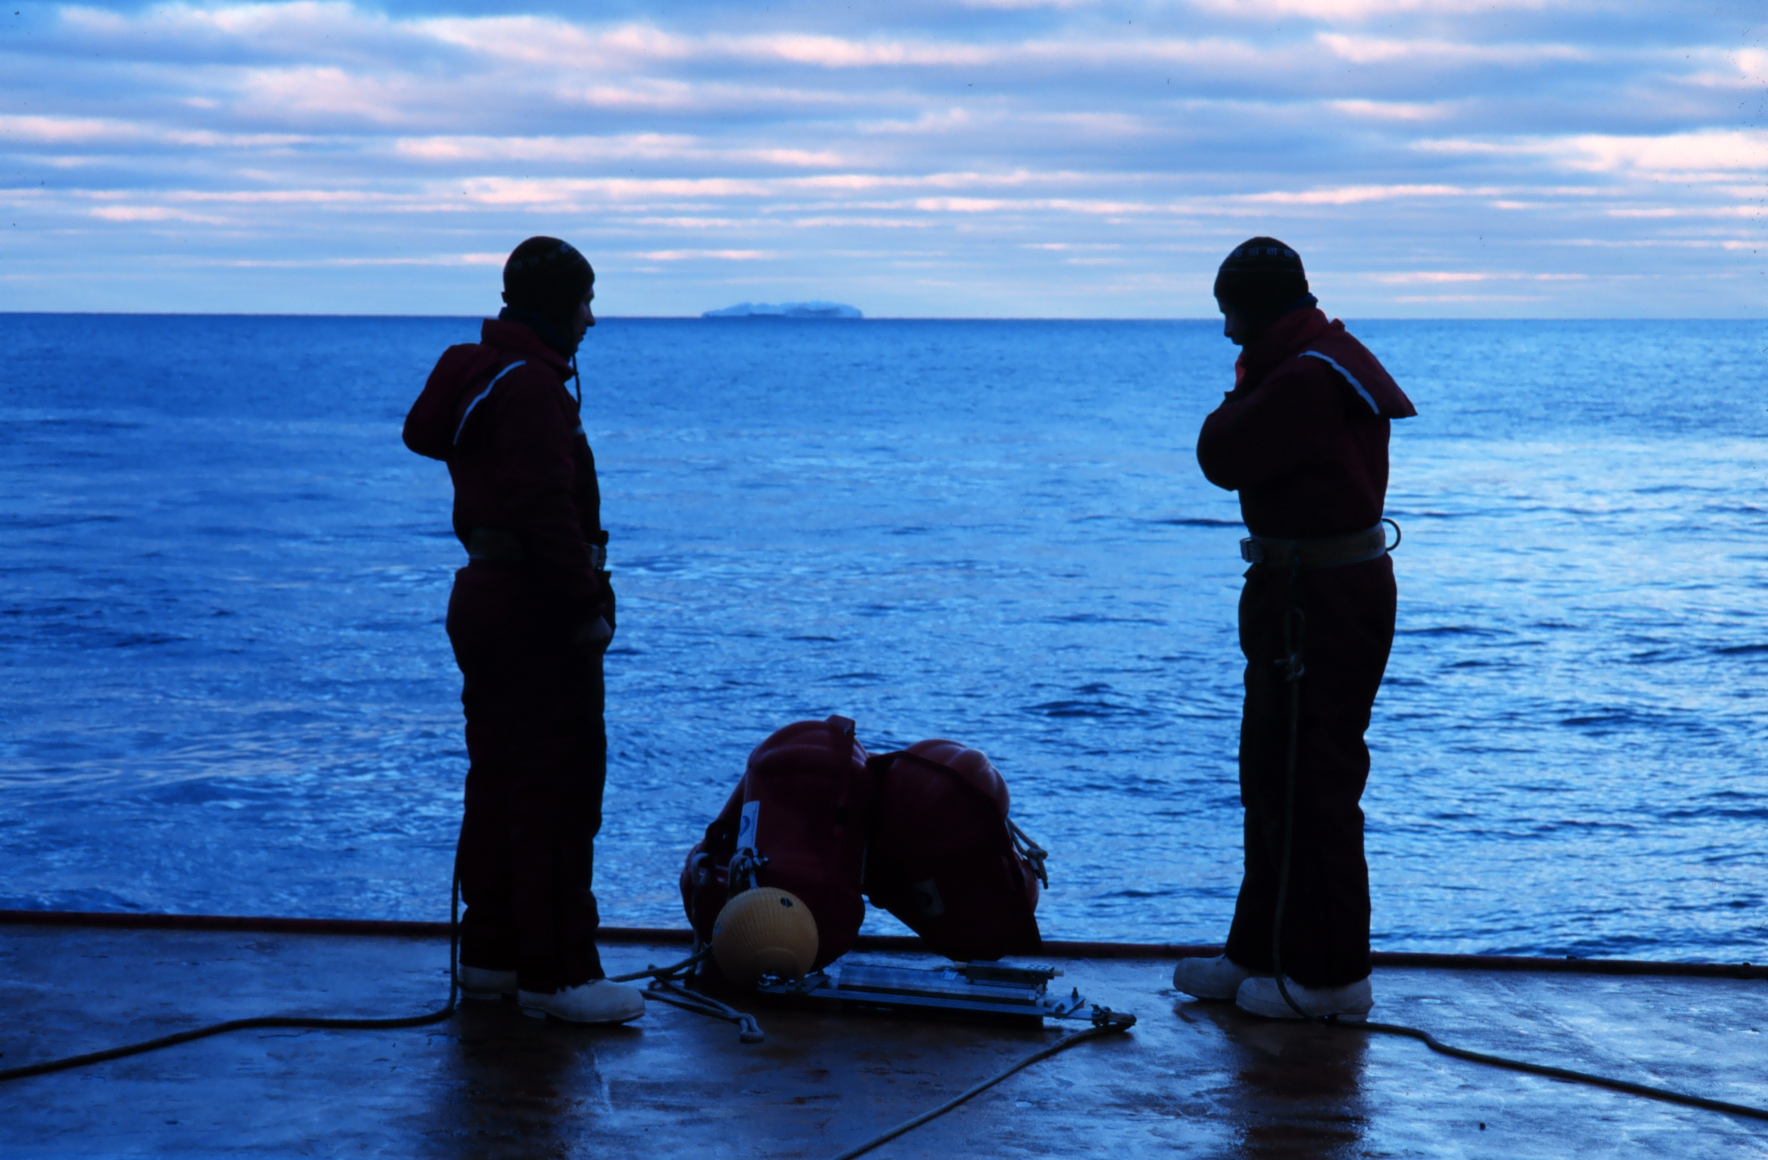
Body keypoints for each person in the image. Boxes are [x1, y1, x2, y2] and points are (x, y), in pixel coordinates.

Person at [402, 237, 644, 1024]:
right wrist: (586, 610)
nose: (592, 319)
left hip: (484, 598)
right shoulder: (533, 390)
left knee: (499, 781)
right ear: (552, 306)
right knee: (558, 787)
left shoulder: (483, 374)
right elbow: (545, 511)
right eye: (583, 301)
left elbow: (429, 438)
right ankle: (558, 975)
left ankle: (493, 958)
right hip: (536, 609)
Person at [1175, 238, 1416, 1020]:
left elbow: (1220, 452)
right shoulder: (1314, 361)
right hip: (1300, 591)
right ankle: (1264, 952)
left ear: (1261, 305)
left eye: (1231, 312)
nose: (1226, 333)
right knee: (1271, 773)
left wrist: (1240, 392)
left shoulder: (1307, 377)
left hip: (1323, 598)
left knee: (1314, 780)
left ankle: (1331, 975)